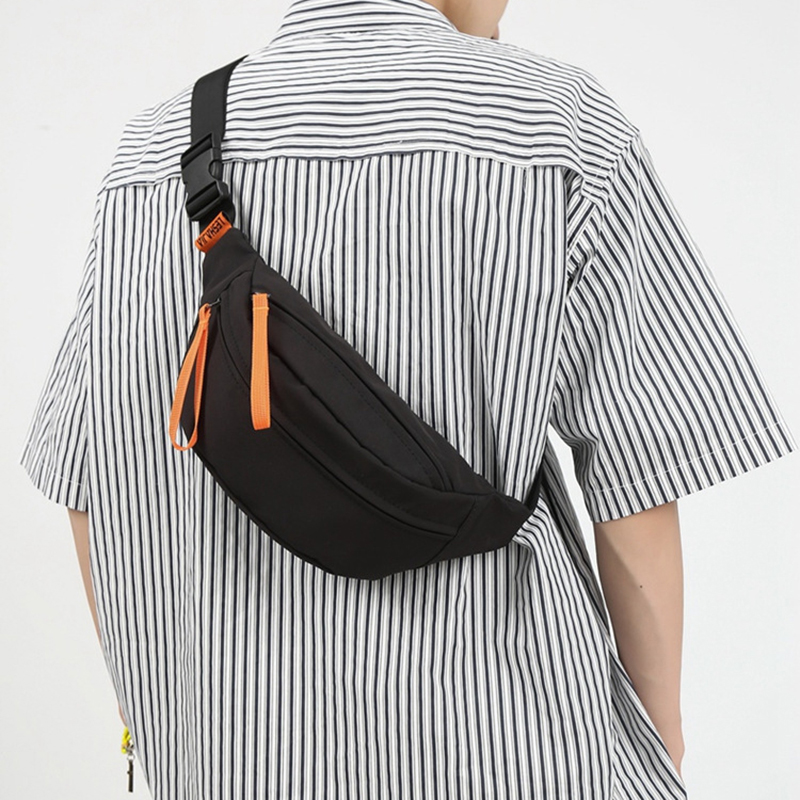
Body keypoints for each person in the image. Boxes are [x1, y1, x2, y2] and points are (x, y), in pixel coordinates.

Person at [19, 0, 796, 797]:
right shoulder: (558, 128)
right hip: (513, 751)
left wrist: (156, 720)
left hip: (232, 758)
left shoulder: (150, 157)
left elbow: (88, 484)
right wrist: (662, 740)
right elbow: (642, 478)